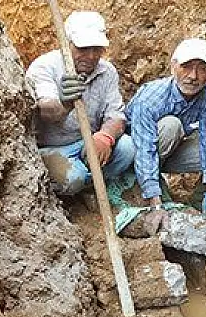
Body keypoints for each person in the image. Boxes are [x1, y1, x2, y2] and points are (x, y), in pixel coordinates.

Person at [125, 38, 206, 233]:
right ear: (174, 66)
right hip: (136, 153)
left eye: (202, 69)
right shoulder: (151, 97)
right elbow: (145, 149)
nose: (193, 76)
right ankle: (146, 186)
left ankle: (198, 205)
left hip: (172, 150)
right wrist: (156, 205)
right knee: (171, 125)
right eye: (186, 67)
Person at [26, 11, 134, 196]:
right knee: (73, 177)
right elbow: (46, 110)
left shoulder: (107, 72)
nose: (91, 56)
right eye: (83, 49)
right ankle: (74, 188)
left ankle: (88, 187)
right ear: (66, 44)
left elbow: (116, 115)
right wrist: (66, 104)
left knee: (127, 149)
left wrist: (104, 137)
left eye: (97, 48)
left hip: (86, 143)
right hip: (52, 148)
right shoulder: (45, 67)